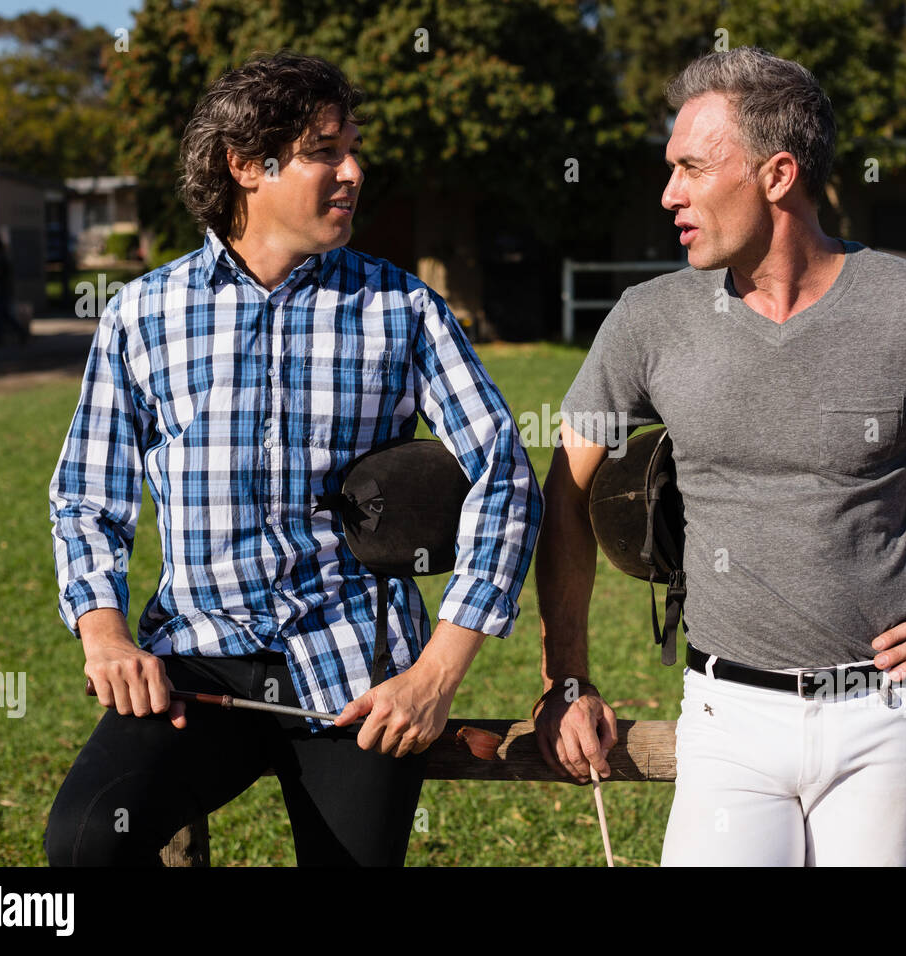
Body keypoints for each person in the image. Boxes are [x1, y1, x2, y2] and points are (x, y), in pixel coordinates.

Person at [534, 47, 906, 866]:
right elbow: (566, 500)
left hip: (884, 719)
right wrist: (566, 685)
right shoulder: (647, 321)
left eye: (690, 167)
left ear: (778, 174)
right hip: (726, 717)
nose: (669, 193)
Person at [44, 51, 542, 866]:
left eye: (353, 146)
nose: (353, 170)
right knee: (85, 843)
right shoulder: (142, 314)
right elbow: (87, 499)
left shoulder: (402, 307)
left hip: (359, 678)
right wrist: (103, 635)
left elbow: (506, 476)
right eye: (324, 149)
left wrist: (436, 674)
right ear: (247, 165)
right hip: (195, 669)